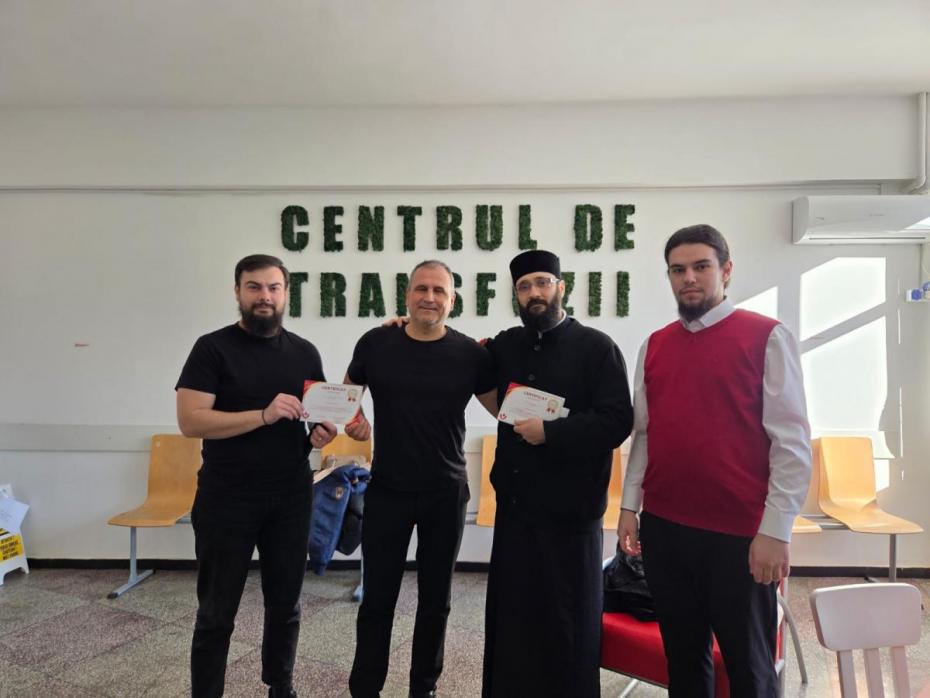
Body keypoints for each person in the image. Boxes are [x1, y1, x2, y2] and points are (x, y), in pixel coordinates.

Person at [617, 224, 812, 697]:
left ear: (725, 271)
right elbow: (645, 435)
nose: (689, 278)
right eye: (678, 270)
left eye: (701, 266)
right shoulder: (654, 346)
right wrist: (629, 506)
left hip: (740, 536)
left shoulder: (767, 337)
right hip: (665, 530)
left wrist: (776, 531)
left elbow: (791, 443)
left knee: (749, 667)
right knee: (684, 661)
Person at [176, 254, 338, 698]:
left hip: (290, 496)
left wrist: (321, 434)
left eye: (273, 287)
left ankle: (280, 686)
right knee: (216, 611)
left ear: (286, 293)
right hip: (226, 496)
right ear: (238, 292)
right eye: (254, 287)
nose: (264, 296)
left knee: (286, 605)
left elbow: (315, 419)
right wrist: (263, 415)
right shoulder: (212, 348)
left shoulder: (304, 352)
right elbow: (191, 421)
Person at [481, 249, 634, 698]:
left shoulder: (597, 347)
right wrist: (407, 327)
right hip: (516, 514)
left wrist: (551, 432)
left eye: (543, 283)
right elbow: (459, 359)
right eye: (524, 286)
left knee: (568, 628)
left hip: (571, 517)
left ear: (561, 288)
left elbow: (617, 422)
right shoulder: (505, 345)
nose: (535, 293)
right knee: (513, 625)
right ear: (516, 294)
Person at [344, 260, 497, 698]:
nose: (429, 297)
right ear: (407, 294)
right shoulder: (376, 342)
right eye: (421, 289)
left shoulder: (471, 354)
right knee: (377, 599)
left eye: (439, 291)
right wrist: (356, 421)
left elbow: (503, 411)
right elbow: (347, 394)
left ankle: (423, 688)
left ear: (453, 300)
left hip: (445, 492)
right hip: (387, 490)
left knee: (436, 601)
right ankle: (365, 688)